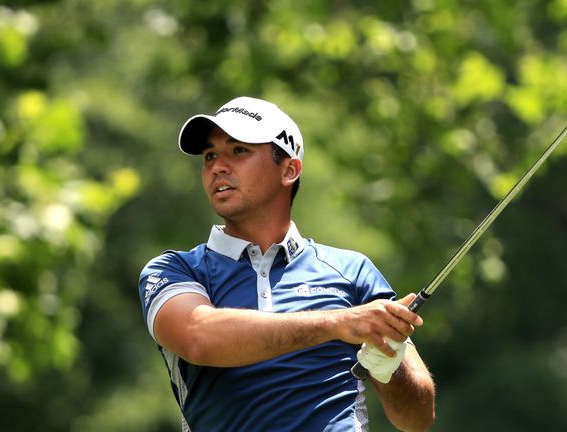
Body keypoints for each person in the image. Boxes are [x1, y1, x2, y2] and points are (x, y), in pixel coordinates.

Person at [138, 96, 436, 431]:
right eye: (210, 156)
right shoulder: (175, 270)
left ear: (289, 170)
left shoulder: (353, 272)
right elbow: (198, 336)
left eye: (238, 151)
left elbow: (417, 419)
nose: (217, 166)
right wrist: (339, 323)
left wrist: (390, 368)